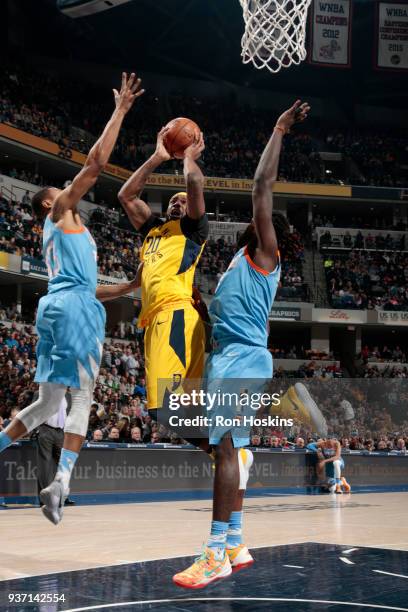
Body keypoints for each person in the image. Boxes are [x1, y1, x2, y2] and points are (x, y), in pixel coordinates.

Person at [173, 100, 326, 589]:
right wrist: (195, 304)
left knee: (224, 449)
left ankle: (215, 550)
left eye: (268, 222)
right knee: (221, 445)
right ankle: (236, 541)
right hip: (224, 358)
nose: (263, 221)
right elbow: (218, 319)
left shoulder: (266, 254)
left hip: (244, 359)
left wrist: (278, 129)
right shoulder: (237, 264)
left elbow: (263, 186)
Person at [0, 72, 144, 525]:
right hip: (75, 310)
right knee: (82, 399)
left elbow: (85, 286)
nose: (68, 188)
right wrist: (119, 110)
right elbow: (96, 164)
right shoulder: (61, 212)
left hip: (62, 304)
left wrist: (124, 289)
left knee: (47, 403)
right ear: (48, 204)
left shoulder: (72, 235)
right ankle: (61, 482)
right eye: (58, 190)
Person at [37, 394, 74, 506]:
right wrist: (38, 430)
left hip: (61, 433)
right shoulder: (41, 392)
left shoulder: (68, 396)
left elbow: (71, 415)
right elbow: (32, 414)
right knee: (45, 466)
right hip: (45, 430)